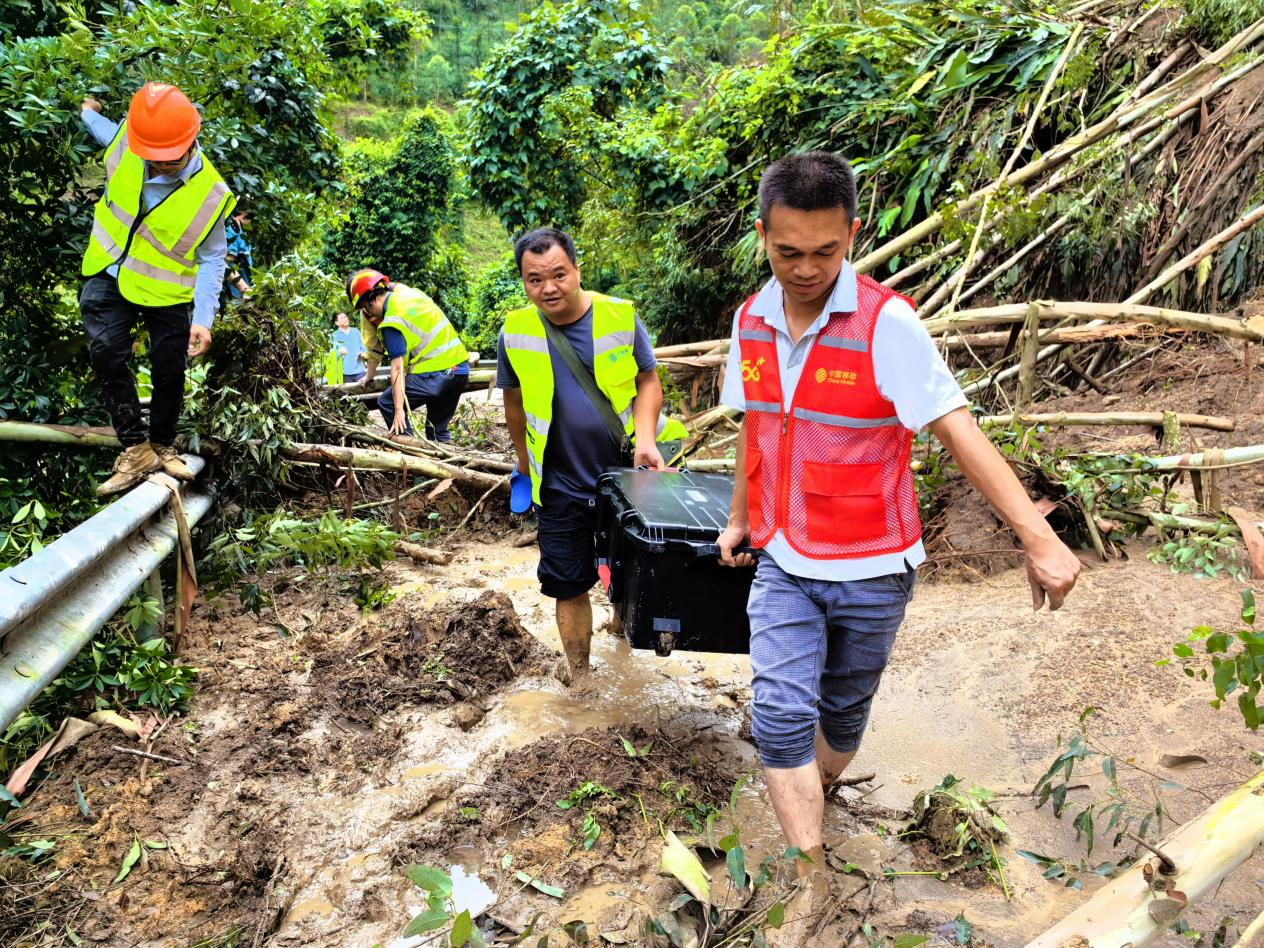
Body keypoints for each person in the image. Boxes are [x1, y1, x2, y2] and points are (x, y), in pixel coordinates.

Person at [715, 152, 1081, 931]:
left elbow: (958, 430)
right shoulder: (749, 321)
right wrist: (742, 515)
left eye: (826, 251)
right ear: (763, 236)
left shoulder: (889, 325)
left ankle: (822, 788)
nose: (807, 269)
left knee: (842, 716)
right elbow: (756, 424)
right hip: (783, 556)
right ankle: (809, 883)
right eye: (788, 253)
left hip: (875, 569)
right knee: (778, 714)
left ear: (852, 234)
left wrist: (1036, 537)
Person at [498, 228, 688, 684]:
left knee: (635, 567)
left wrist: (646, 438)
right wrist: (524, 466)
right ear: (523, 282)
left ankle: (622, 627)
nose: (548, 288)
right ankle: (581, 679)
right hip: (558, 482)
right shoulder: (516, 330)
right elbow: (515, 403)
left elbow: (648, 380)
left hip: (627, 476)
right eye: (534, 279)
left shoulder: (618, 316)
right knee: (568, 582)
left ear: (577, 269)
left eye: (558, 274)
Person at [79, 83, 235, 496]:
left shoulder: (210, 194)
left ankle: (163, 444)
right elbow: (100, 127)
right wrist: (86, 109)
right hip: (109, 267)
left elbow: (213, 258)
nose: (158, 165)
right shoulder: (128, 145)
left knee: (170, 367)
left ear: (192, 141)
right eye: (151, 157)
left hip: (166, 290)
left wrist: (203, 319)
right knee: (106, 352)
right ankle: (136, 448)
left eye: (168, 159)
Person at [346, 268, 469, 441]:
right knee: (436, 431)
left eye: (365, 310)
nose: (368, 316)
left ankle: (410, 453)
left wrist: (398, 411)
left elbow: (396, 368)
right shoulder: (411, 294)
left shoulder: (391, 321)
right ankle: (446, 462)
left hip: (435, 375)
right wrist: (370, 375)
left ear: (369, 303)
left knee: (387, 402)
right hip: (460, 370)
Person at [224, 206, 253, 299]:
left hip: (244, 278)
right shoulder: (231, 229)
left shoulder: (242, 232)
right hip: (236, 285)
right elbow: (228, 260)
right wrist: (243, 288)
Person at [332, 311, 367, 383]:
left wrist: (361, 354)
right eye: (342, 318)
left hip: (360, 371)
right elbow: (333, 356)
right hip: (345, 373)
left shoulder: (356, 331)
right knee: (350, 393)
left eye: (345, 317)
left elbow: (364, 349)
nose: (345, 319)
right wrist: (339, 352)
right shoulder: (335, 335)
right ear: (337, 323)